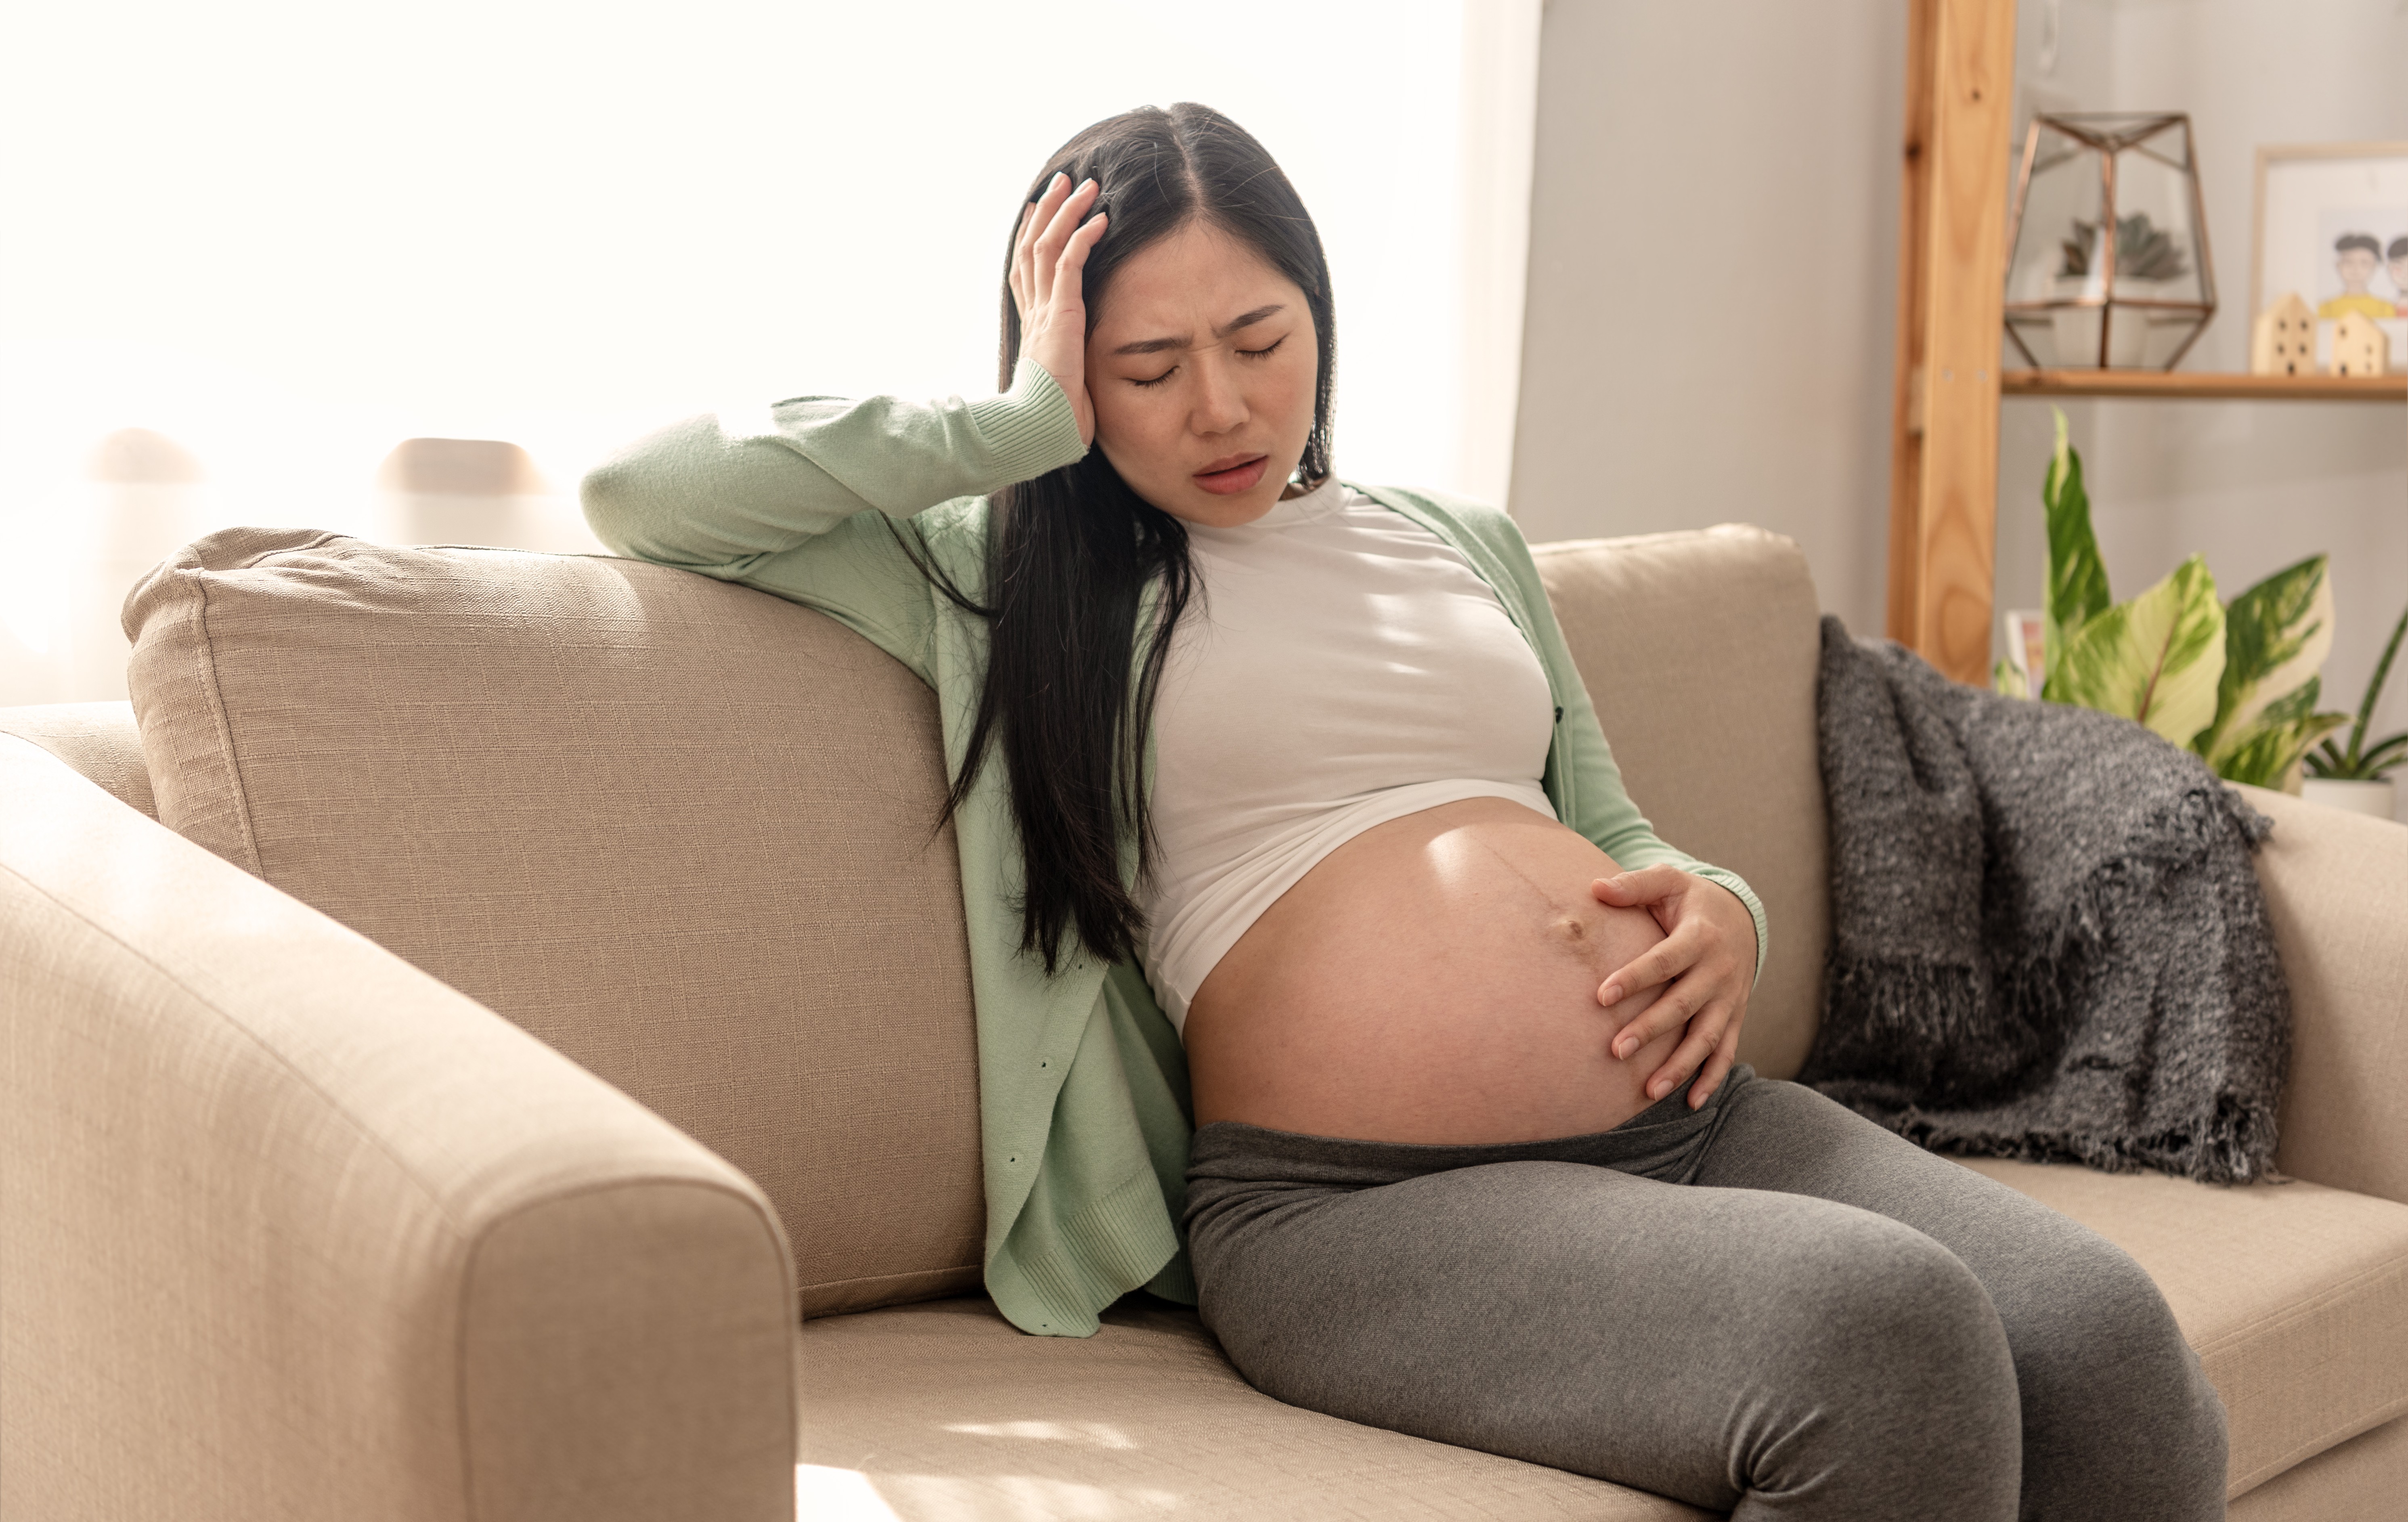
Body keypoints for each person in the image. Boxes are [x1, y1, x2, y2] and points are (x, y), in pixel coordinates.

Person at [583, 103, 2226, 1522]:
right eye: (1148, 366)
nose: (1220, 408)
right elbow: (647, 495)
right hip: (1352, 1205)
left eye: (1260, 339)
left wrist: (1722, 909)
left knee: (2106, 1342)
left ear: (1321, 315)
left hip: (1694, 1118)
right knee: (1879, 1337)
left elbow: (1619, 828)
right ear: (1072, 364)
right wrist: (1012, 431)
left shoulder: (1454, 539)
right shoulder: (1006, 574)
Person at [2320, 231, 2394, 320]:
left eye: (2364, 263)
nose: (2356, 269)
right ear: (2338, 265)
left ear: (2375, 267)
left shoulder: (2384, 308)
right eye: (2348, 262)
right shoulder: (2326, 308)